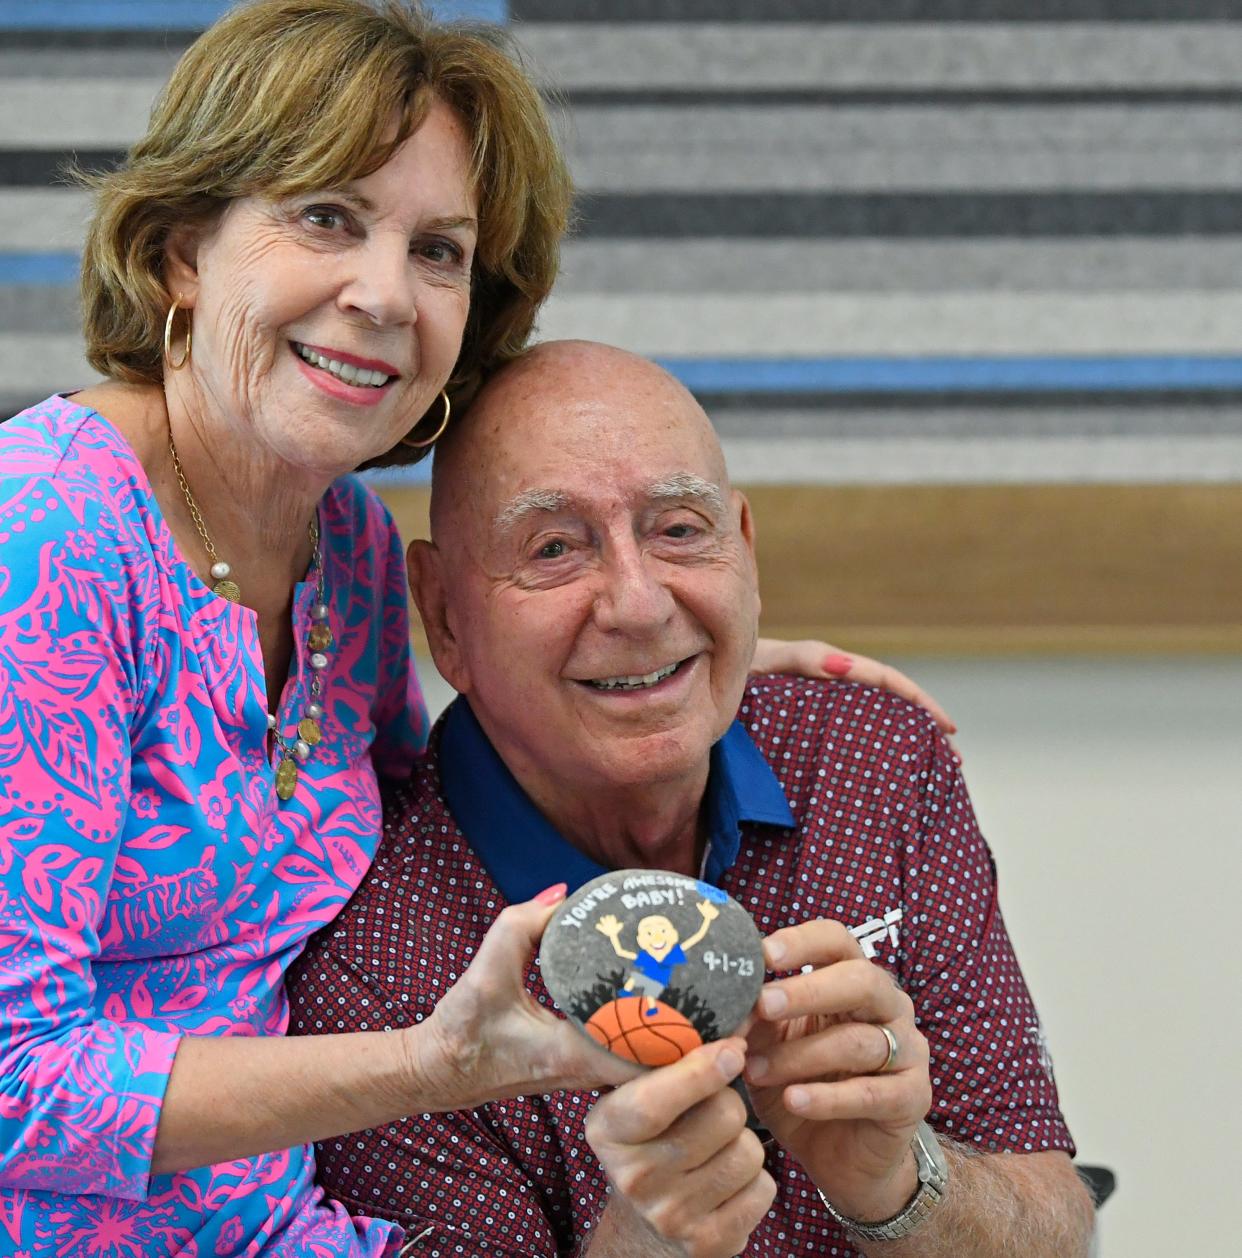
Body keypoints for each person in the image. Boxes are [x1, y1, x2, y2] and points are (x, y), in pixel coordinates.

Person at [0, 3, 952, 1254]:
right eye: (328, 217)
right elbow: (18, 1083)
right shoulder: (44, 539)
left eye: (438, 249)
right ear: (182, 249)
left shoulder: (338, 540)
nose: (386, 293)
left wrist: (667, 656)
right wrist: (437, 1062)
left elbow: (401, 804)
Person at [288, 340, 1097, 1258]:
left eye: (678, 530)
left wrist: (897, 1182)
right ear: (442, 617)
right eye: (554, 549)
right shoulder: (376, 970)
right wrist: (647, 1239)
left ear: (743, 551)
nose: (637, 604)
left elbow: (1056, 1227)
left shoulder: (871, 762)